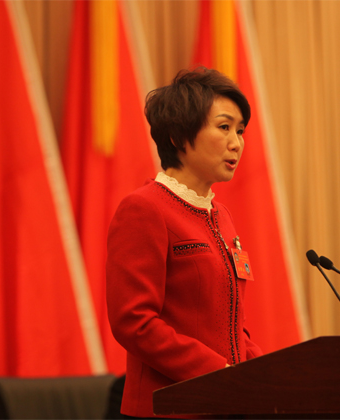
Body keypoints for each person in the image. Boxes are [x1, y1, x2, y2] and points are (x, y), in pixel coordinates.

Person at [106, 68, 263, 418]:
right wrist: (217, 373)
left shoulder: (221, 216)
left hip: (224, 403)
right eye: (224, 127)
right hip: (169, 408)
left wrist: (264, 373)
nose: (236, 143)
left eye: (240, 131)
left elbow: (228, 324)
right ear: (178, 136)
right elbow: (134, 322)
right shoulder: (144, 209)